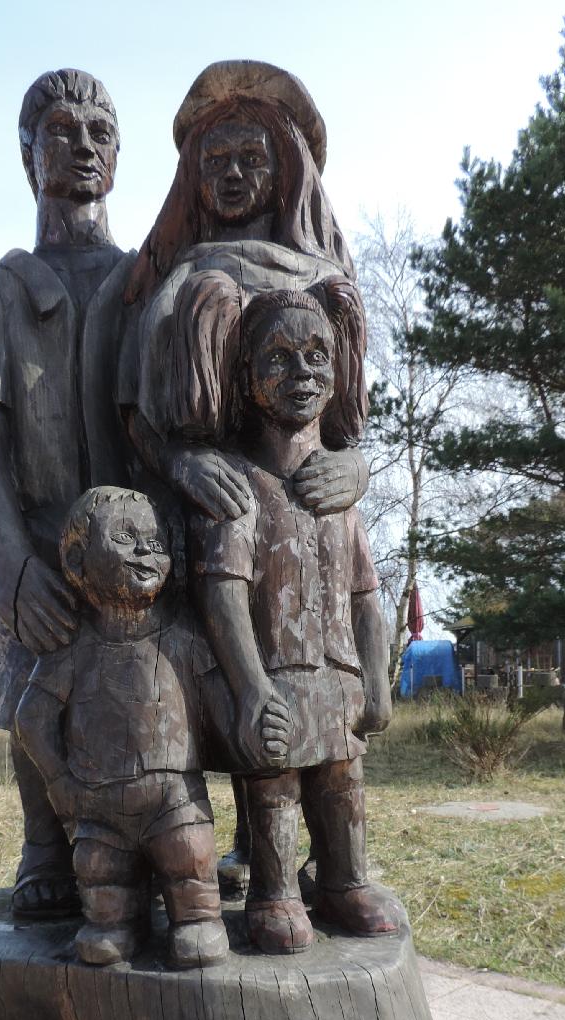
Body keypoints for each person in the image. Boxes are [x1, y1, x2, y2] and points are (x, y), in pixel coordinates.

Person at [121, 61, 373, 895]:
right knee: (227, 707)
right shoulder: (182, 274)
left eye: (251, 158)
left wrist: (354, 467)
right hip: (210, 516)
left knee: (322, 752)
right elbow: (134, 406)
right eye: (215, 159)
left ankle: (318, 876)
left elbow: (345, 416)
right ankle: (189, 865)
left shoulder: (320, 273)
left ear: (286, 168)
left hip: (307, 521)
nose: (232, 174)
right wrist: (182, 458)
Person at [0, 69, 136, 917]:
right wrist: (10, 559)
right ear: (29, 156)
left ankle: (177, 832)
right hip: (39, 542)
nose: (83, 145)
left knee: (165, 681)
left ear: (118, 157)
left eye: (100, 132)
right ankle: (43, 841)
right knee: (35, 683)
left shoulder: (155, 284)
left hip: (143, 552)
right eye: (62, 131)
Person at [189, 284, 397, 954]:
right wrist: (249, 687)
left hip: (338, 680)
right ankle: (274, 890)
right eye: (280, 358)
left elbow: (368, 596)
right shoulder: (242, 487)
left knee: (343, 786)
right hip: (274, 680)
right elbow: (222, 594)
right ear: (249, 377)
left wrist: (378, 678)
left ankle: (343, 880)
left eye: (316, 356)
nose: (302, 372)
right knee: (273, 790)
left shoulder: (341, 496)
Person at [14, 488, 231, 970]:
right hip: (98, 806)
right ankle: (113, 922)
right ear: (77, 557)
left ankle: (196, 920)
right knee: (100, 873)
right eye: (125, 538)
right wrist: (58, 781)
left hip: (176, 800)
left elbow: (219, 707)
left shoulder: (184, 637)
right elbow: (31, 718)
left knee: (191, 857)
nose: (145, 552)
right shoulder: (71, 647)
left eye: (154, 542)